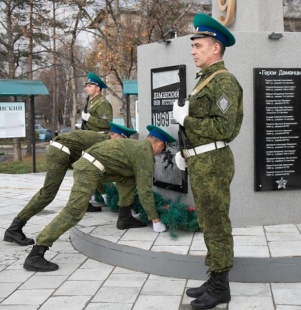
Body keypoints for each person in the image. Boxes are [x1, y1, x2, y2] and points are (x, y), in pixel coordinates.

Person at [23, 125, 176, 272]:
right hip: (89, 170)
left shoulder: (136, 146)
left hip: (91, 166)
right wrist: (155, 220)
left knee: (127, 177)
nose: (161, 152)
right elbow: (144, 191)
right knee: (73, 211)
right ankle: (37, 252)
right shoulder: (144, 153)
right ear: (159, 144)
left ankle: (125, 217)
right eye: (163, 148)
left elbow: (121, 172)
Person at [173, 13, 243, 309]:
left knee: (216, 223)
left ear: (215, 47)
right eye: (193, 46)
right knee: (208, 221)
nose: (193, 51)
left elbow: (224, 129)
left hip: (214, 162)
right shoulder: (207, 80)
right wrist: (185, 152)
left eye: (198, 45)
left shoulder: (223, 81)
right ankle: (214, 276)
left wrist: (186, 120)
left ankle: (221, 287)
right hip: (203, 161)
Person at [3, 122, 137, 247]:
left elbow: (93, 171)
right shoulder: (104, 142)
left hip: (64, 152)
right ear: (114, 135)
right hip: (60, 152)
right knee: (47, 193)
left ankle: (14, 228)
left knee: (56, 191)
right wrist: (105, 193)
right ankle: (15, 228)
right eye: (122, 139)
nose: (122, 144)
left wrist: (103, 192)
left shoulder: (101, 138)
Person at [81, 71, 114, 211]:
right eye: (87, 85)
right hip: (90, 139)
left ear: (97, 88)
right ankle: (100, 195)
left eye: (89, 86)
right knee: (90, 169)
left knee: (96, 170)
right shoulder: (91, 102)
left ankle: (107, 195)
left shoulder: (103, 103)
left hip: (98, 140)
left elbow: (107, 124)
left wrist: (89, 118)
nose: (86, 88)